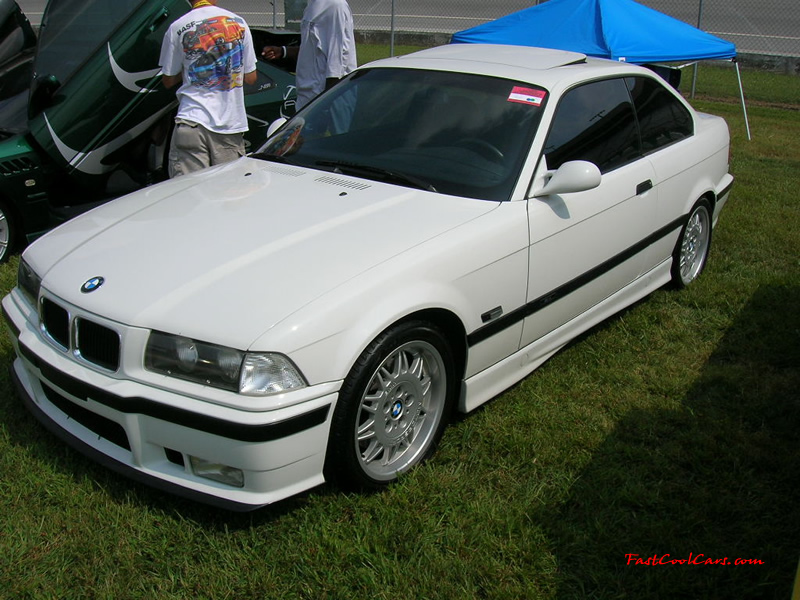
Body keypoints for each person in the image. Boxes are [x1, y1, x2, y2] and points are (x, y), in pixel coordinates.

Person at [159, 0, 258, 177]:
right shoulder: (239, 23)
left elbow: (168, 80)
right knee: (229, 195)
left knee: (189, 195)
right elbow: (251, 78)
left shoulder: (177, 27)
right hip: (229, 125)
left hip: (192, 120)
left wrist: (191, 67)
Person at [261, 0, 357, 111]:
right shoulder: (312, 5)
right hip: (307, 98)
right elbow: (313, 49)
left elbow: (337, 62)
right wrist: (283, 51)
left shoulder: (335, 5)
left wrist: (326, 103)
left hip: (327, 99)